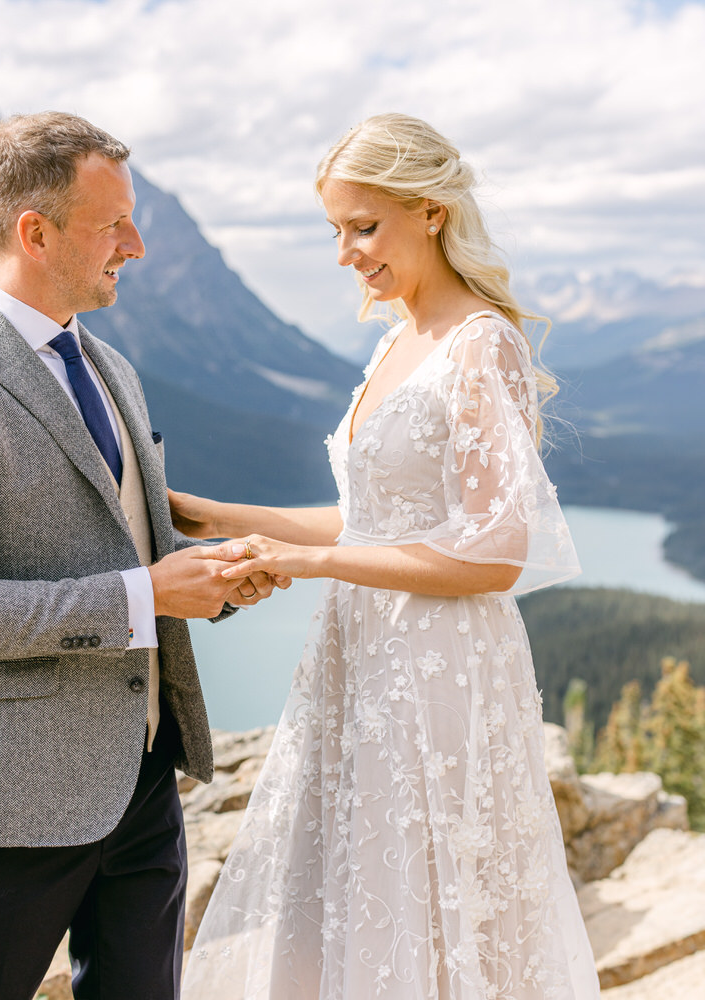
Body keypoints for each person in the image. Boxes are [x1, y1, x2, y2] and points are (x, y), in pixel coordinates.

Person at [0, 111, 282, 1000]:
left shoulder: (109, 364)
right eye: (113, 223)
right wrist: (146, 594)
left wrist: (219, 579)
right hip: (3, 809)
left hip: (142, 784)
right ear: (34, 233)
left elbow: (127, 539)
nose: (137, 243)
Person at [175, 113, 601, 998]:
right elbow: (371, 519)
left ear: (431, 211)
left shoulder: (482, 342)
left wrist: (310, 567)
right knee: (353, 894)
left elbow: (494, 555)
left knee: (429, 903)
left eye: (363, 226)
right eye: (336, 230)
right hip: (361, 655)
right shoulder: (397, 339)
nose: (346, 254)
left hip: (437, 666)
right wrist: (218, 516)